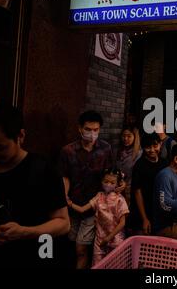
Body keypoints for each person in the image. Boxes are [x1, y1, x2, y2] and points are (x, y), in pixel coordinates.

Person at [0, 104, 70, 268]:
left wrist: (24, 232)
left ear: (20, 136)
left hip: (34, 257)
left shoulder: (43, 170)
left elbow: (63, 223)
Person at [59, 110, 113, 269]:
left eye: (96, 130)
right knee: (71, 243)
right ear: (80, 129)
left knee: (81, 247)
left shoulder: (105, 148)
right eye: (88, 129)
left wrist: (116, 186)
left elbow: (109, 174)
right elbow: (65, 176)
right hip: (72, 204)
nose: (92, 133)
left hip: (93, 205)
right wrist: (64, 197)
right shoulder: (68, 151)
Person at [67, 168, 129, 266]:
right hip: (100, 240)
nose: (108, 184)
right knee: (97, 265)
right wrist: (70, 204)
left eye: (112, 182)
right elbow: (82, 209)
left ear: (117, 184)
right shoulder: (98, 196)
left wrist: (109, 237)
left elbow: (122, 223)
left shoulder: (120, 199)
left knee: (115, 264)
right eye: (106, 181)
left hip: (116, 240)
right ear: (101, 182)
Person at [128, 133, 167, 235]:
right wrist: (144, 218)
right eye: (148, 147)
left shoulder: (164, 163)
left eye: (155, 146)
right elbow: (137, 192)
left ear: (160, 144)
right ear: (143, 147)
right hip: (142, 211)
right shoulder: (139, 165)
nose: (152, 150)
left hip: (158, 211)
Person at [116, 125, 142, 207]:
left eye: (129, 136)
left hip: (132, 190)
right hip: (118, 189)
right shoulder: (119, 151)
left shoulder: (139, 153)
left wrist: (126, 185)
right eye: (124, 136)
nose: (125, 138)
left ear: (135, 137)